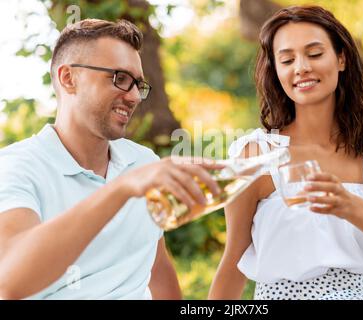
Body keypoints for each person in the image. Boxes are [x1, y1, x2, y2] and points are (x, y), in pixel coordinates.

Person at [209, 5, 363, 300]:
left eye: (314, 54)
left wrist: (347, 204)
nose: (301, 68)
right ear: (276, 70)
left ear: (341, 58)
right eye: (287, 59)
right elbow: (234, 258)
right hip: (286, 297)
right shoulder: (255, 154)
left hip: (362, 295)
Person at [0, 19, 223, 300]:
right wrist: (121, 189)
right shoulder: (15, 167)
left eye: (138, 85)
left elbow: (157, 269)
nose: (133, 97)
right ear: (68, 78)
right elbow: (9, 281)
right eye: (119, 78)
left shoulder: (143, 162)